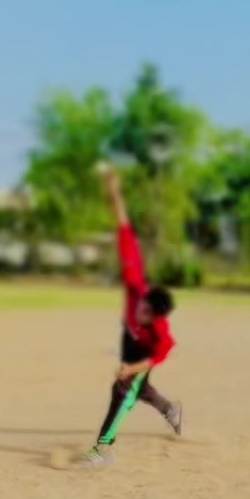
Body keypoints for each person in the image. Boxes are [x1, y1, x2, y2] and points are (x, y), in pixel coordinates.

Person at [86, 167, 182, 464]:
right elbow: (123, 227)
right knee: (140, 389)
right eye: (142, 307)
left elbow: (154, 359)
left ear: (156, 318)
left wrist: (130, 369)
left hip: (142, 353)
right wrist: (114, 191)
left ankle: (102, 449)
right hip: (128, 338)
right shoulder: (135, 282)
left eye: (148, 314)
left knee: (124, 390)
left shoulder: (160, 334)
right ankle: (170, 409)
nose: (141, 312)